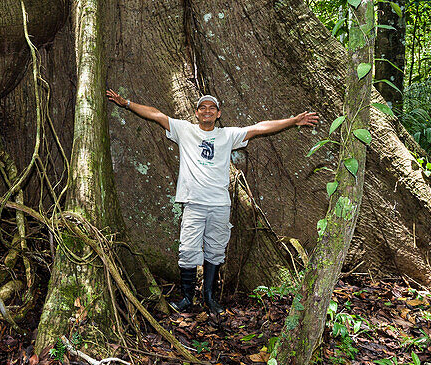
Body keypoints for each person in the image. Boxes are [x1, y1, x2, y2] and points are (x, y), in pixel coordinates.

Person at [105, 89, 319, 314]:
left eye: (212, 108)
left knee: (216, 251)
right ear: (196, 113)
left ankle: (209, 297)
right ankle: (187, 298)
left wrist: (294, 121)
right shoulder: (184, 130)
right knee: (187, 250)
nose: (207, 111)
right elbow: (156, 114)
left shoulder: (228, 135)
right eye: (203, 108)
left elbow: (259, 127)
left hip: (219, 204)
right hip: (193, 203)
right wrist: (126, 103)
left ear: (218, 114)